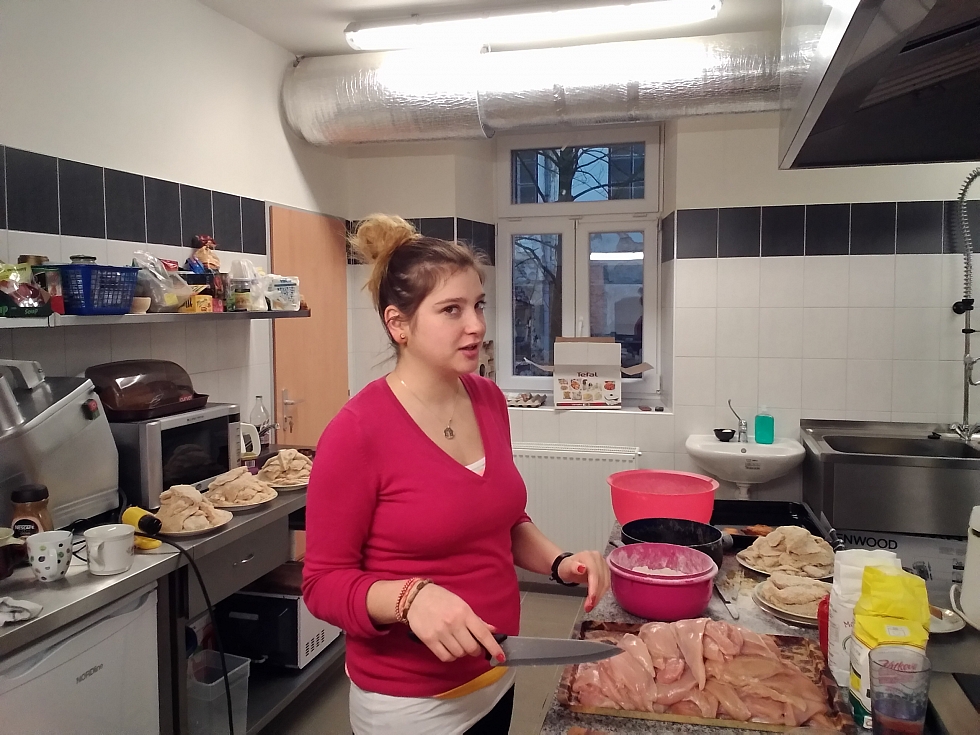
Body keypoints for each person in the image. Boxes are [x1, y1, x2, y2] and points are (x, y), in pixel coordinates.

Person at [302, 214, 611, 735]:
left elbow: (504, 521)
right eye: (452, 310)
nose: (477, 326)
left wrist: (560, 562)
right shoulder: (357, 432)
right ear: (398, 324)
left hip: (497, 673)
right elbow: (323, 584)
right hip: (411, 705)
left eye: (478, 305)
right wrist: (410, 598)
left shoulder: (488, 399)